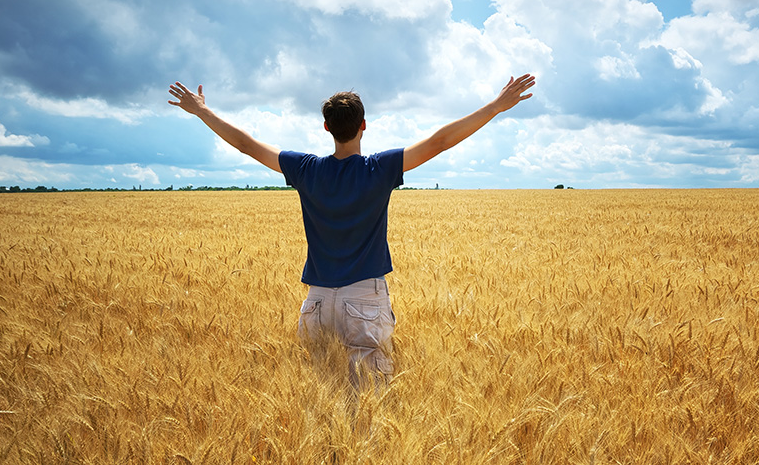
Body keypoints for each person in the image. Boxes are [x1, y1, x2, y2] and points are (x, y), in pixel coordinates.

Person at [168, 75, 535, 389]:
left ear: (326, 128)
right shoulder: (379, 169)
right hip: (365, 298)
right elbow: (439, 142)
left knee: (318, 396)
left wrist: (202, 111)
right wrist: (495, 107)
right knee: (368, 402)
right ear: (363, 125)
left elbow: (247, 145)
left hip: (316, 301)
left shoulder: (305, 169)